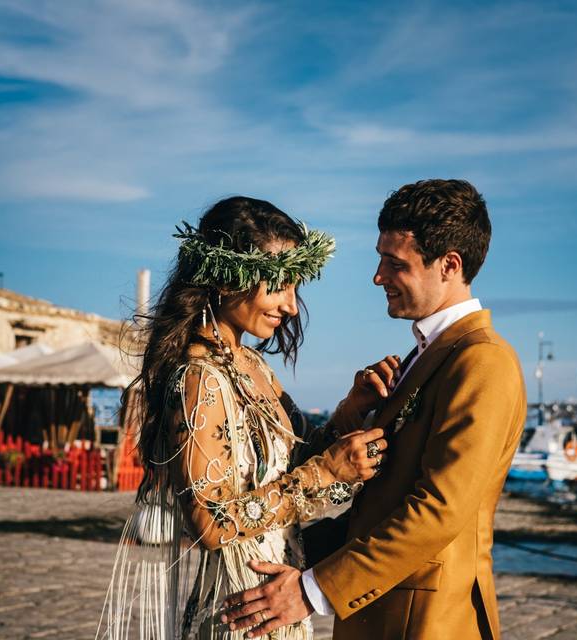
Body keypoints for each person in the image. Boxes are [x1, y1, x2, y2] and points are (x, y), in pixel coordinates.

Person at [222, 179, 527, 639]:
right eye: (380, 258)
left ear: (449, 265)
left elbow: (439, 510)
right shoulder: (423, 357)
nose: (378, 276)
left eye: (394, 263)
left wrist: (309, 591)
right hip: (381, 615)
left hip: (427, 623)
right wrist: (277, 547)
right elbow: (378, 504)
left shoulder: (484, 361)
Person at [96, 196, 391, 640]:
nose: (292, 306)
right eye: (278, 284)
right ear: (226, 275)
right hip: (238, 612)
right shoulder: (198, 379)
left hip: (277, 604)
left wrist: (350, 410)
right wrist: (326, 473)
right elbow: (211, 523)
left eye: (296, 287)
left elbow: (290, 462)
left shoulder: (254, 366)